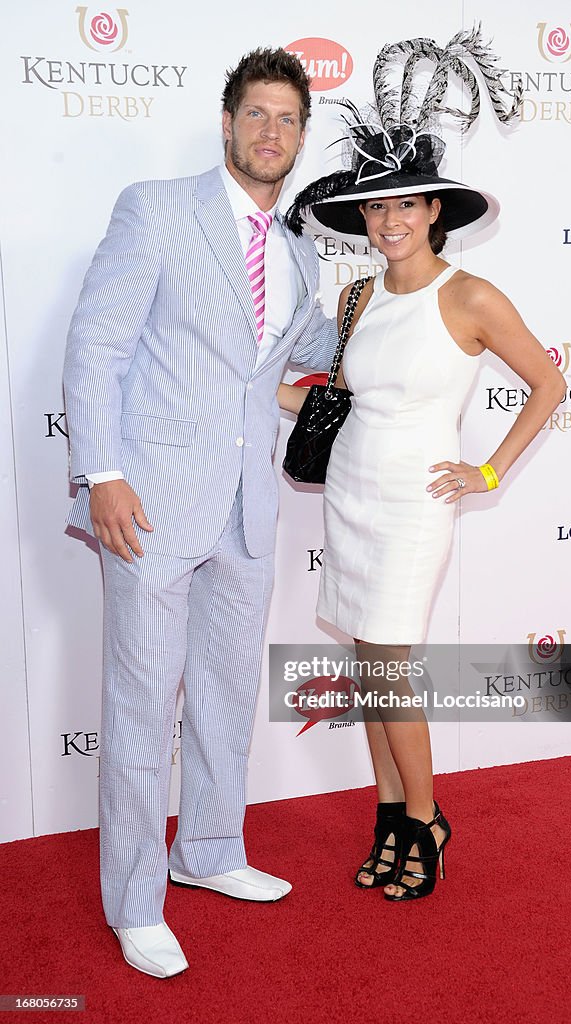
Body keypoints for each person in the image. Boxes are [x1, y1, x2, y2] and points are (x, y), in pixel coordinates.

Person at [63, 48, 338, 977]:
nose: (271, 132)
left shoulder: (301, 253)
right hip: (148, 501)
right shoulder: (156, 209)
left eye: (288, 120)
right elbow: (97, 343)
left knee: (224, 698)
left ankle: (211, 853)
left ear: (302, 137)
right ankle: (135, 901)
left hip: (247, 506)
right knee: (143, 706)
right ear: (226, 125)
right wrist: (100, 471)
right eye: (255, 115)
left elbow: (290, 373)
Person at [279, 33, 566, 901]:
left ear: (435, 209)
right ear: (360, 219)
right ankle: (388, 813)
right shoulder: (356, 295)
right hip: (353, 496)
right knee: (372, 665)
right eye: (375, 208)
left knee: (391, 665)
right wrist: (247, 391)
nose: (391, 220)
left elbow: (548, 384)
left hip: (414, 503)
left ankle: (427, 822)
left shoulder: (470, 297)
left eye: (406, 203)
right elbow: (337, 400)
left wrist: (487, 472)